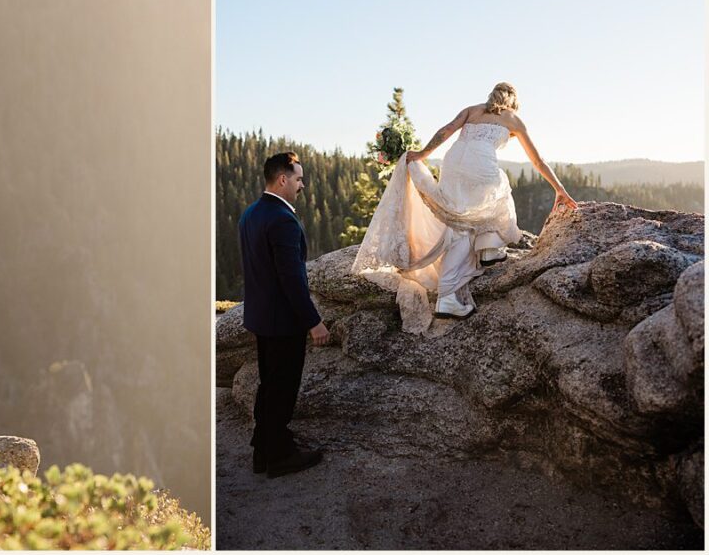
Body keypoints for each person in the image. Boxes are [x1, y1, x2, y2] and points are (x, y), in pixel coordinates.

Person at [353, 82, 576, 330]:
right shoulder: (513, 118)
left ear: (491, 96)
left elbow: (446, 130)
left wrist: (423, 154)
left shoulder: (471, 110)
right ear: (512, 101)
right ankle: (484, 253)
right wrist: (560, 189)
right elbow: (537, 160)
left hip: (453, 163)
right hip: (480, 166)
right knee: (498, 191)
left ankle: (460, 283)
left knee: (459, 221)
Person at [238, 151, 329, 478]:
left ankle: (262, 450)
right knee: (282, 388)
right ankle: (278, 457)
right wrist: (313, 321)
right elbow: (291, 279)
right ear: (282, 179)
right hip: (284, 321)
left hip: (262, 319)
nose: (301, 185)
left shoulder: (250, 214)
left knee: (269, 385)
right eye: (298, 178)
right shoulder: (282, 219)